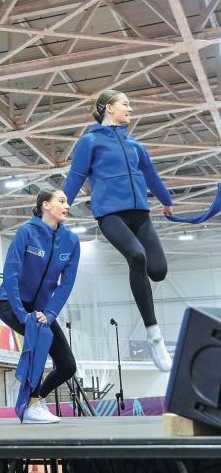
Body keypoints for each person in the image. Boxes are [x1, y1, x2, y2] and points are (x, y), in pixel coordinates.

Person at [62, 89, 173, 372]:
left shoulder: (134, 145)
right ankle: (154, 334)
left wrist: (167, 202)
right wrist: (59, 209)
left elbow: (151, 176)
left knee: (158, 270)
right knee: (137, 256)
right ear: (109, 108)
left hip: (140, 215)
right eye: (126, 104)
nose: (131, 109)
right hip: (110, 215)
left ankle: (153, 329)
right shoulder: (90, 141)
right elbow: (75, 177)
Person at [0, 190, 80, 424]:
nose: (67, 206)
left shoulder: (71, 241)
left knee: (67, 366)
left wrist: (50, 314)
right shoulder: (27, 232)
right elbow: (10, 274)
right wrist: (22, 314)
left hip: (41, 310)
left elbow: (66, 284)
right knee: (39, 336)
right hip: (10, 303)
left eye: (67, 202)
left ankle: (35, 399)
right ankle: (30, 404)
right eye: (61, 201)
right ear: (45, 205)